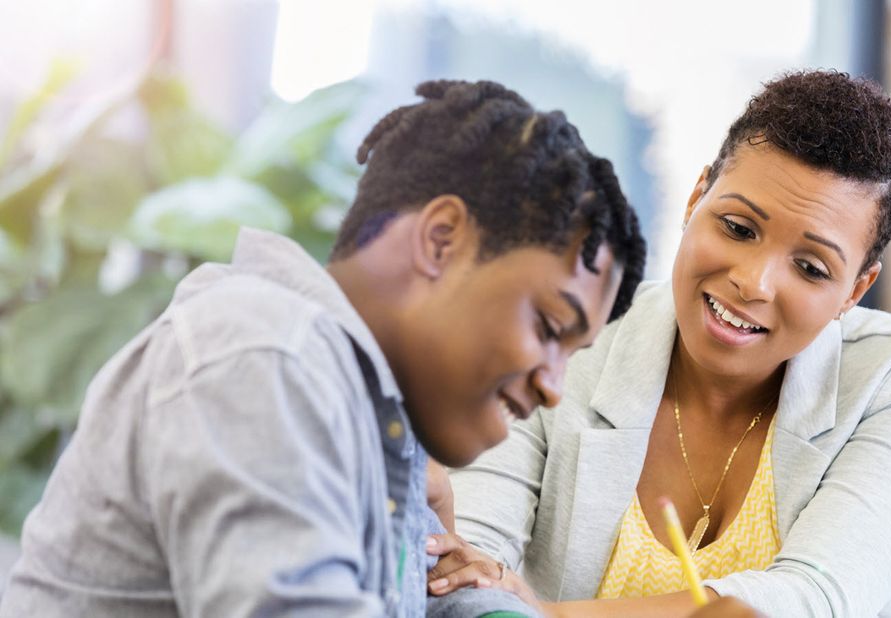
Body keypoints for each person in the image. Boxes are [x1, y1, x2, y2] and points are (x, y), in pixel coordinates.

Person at [0, 80, 646, 617]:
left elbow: (436, 595)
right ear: (442, 239)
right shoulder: (266, 355)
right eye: (547, 326)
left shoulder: (367, 410)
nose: (554, 386)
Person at [431, 70, 891, 617]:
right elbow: (467, 566)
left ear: (855, 289)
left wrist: (548, 614)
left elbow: (816, 598)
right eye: (737, 227)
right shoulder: (572, 335)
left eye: (809, 267)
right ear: (695, 198)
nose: (753, 283)